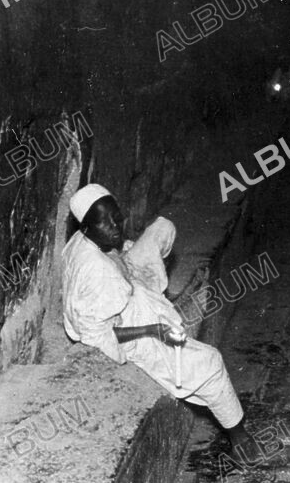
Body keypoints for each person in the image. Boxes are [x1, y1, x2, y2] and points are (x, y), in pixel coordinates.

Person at [62, 183, 254, 453]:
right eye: (105, 224)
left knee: (162, 228)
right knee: (210, 363)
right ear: (85, 228)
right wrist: (153, 330)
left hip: (124, 281)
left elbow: (112, 253)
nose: (115, 227)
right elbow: (98, 336)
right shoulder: (97, 274)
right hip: (125, 324)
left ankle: (156, 299)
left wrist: (122, 254)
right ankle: (239, 434)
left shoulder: (88, 241)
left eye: (116, 218)